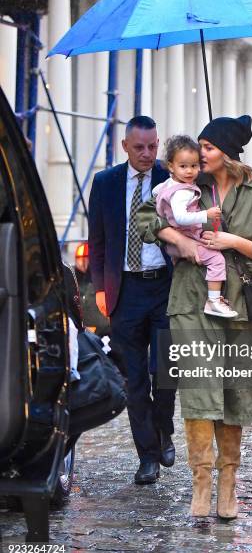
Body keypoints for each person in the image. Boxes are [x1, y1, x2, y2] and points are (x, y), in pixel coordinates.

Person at [138, 115, 252, 518]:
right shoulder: (186, 185)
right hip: (190, 303)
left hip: (237, 308)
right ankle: (201, 485)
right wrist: (175, 239)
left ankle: (228, 485)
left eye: (207, 147)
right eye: (198, 147)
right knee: (199, 392)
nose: (198, 154)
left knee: (233, 394)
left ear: (228, 152)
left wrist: (234, 241)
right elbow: (144, 218)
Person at [88, 115, 175, 485]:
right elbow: (97, 242)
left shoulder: (170, 180)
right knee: (135, 378)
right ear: (125, 146)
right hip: (125, 290)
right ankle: (148, 456)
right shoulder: (105, 183)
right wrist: (101, 290)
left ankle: (164, 428)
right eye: (139, 147)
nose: (147, 153)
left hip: (165, 289)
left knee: (166, 372)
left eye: (153, 146)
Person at [153, 135, 238, 318]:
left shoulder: (169, 184)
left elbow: (156, 193)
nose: (190, 171)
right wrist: (205, 214)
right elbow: (181, 217)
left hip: (176, 244)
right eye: (183, 166)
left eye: (194, 166)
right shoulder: (183, 191)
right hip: (189, 236)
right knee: (216, 260)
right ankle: (214, 301)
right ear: (171, 166)